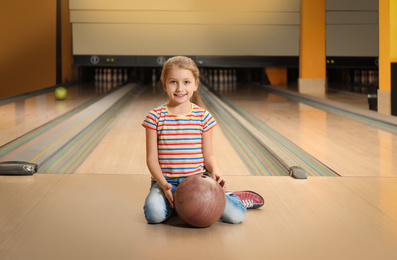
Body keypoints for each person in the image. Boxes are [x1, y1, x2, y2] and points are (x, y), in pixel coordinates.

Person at [142, 56, 264, 224]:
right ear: (164, 84)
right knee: (154, 215)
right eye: (173, 82)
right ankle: (180, 204)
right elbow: (151, 160)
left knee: (237, 216)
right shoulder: (155, 117)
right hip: (166, 183)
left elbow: (208, 157)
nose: (179, 88)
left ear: (195, 84)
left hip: (199, 183)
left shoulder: (203, 116)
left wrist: (216, 171)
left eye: (186, 82)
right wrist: (164, 185)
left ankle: (230, 197)